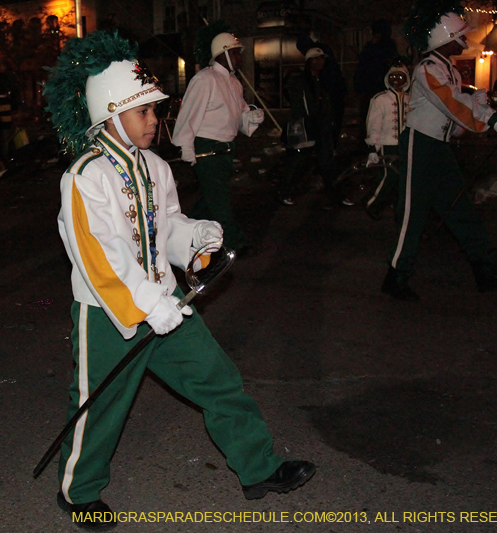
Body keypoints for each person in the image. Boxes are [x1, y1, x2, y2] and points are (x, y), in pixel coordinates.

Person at [44, 31, 315, 530]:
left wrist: (195, 237)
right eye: (143, 112)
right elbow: (100, 257)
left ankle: (258, 468)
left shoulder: (153, 167)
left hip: (166, 300)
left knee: (218, 380)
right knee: (101, 403)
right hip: (110, 311)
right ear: (110, 114)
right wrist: (150, 301)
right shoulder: (84, 176)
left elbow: (164, 226)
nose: (155, 121)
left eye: (155, 110)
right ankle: (78, 492)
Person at [383, 4, 497, 300]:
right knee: (412, 214)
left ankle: (485, 270)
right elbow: (453, 105)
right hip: (420, 145)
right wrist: (495, 121)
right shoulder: (426, 69)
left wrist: (481, 107)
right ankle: (396, 276)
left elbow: (460, 107)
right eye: (459, 34)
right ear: (443, 38)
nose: (464, 39)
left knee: (461, 210)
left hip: (438, 147)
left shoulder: (446, 68)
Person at [172, 22, 265, 253]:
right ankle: (235, 243)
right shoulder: (205, 79)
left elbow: (239, 119)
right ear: (222, 54)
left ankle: (180, 236)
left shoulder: (233, 82)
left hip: (226, 148)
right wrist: (186, 147)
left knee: (209, 200)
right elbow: (189, 116)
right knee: (220, 201)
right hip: (208, 147)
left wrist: (252, 118)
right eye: (235, 52)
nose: (240, 56)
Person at [281, 47, 352, 208]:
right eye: (315, 58)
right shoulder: (301, 81)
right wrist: (305, 122)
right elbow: (298, 104)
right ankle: (285, 191)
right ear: (308, 62)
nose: (319, 62)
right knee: (299, 160)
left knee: (328, 162)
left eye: (321, 59)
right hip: (307, 127)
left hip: (323, 127)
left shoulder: (324, 81)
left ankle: (337, 195)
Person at [362, 62, 410, 220]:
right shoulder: (380, 99)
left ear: (406, 79)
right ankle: (372, 203)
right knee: (389, 176)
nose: (396, 79)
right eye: (393, 76)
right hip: (387, 144)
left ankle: (398, 208)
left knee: (401, 178)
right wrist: (372, 147)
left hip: (405, 146)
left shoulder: (411, 99)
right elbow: (373, 124)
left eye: (400, 76)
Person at [354, 20, 399, 137]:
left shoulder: (384, 47)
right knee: (370, 115)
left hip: (379, 87)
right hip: (371, 88)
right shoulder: (373, 47)